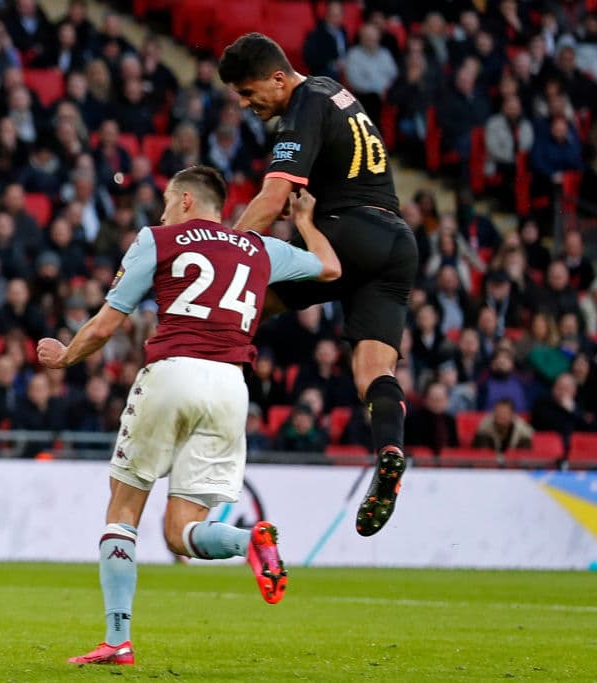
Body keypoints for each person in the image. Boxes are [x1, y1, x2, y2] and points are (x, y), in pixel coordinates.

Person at [37, 166, 340, 665]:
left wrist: (65, 356)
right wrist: (306, 221)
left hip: (173, 372)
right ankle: (250, 540)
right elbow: (330, 268)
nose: (160, 209)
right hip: (230, 389)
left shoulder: (156, 239)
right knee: (182, 531)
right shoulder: (257, 248)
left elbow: (106, 324)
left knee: (124, 509)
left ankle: (118, 639)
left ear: (183, 201)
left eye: (164, 199)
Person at [219, 33, 417, 536]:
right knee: (373, 372)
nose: (245, 104)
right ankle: (390, 452)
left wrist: (220, 254)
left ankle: (211, 412)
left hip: (349, 234)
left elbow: (272, 195)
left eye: (248, 91)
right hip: (395, 242)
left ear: (279, 78)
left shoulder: (303, 105)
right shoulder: (333, 90)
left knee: (241, 302)